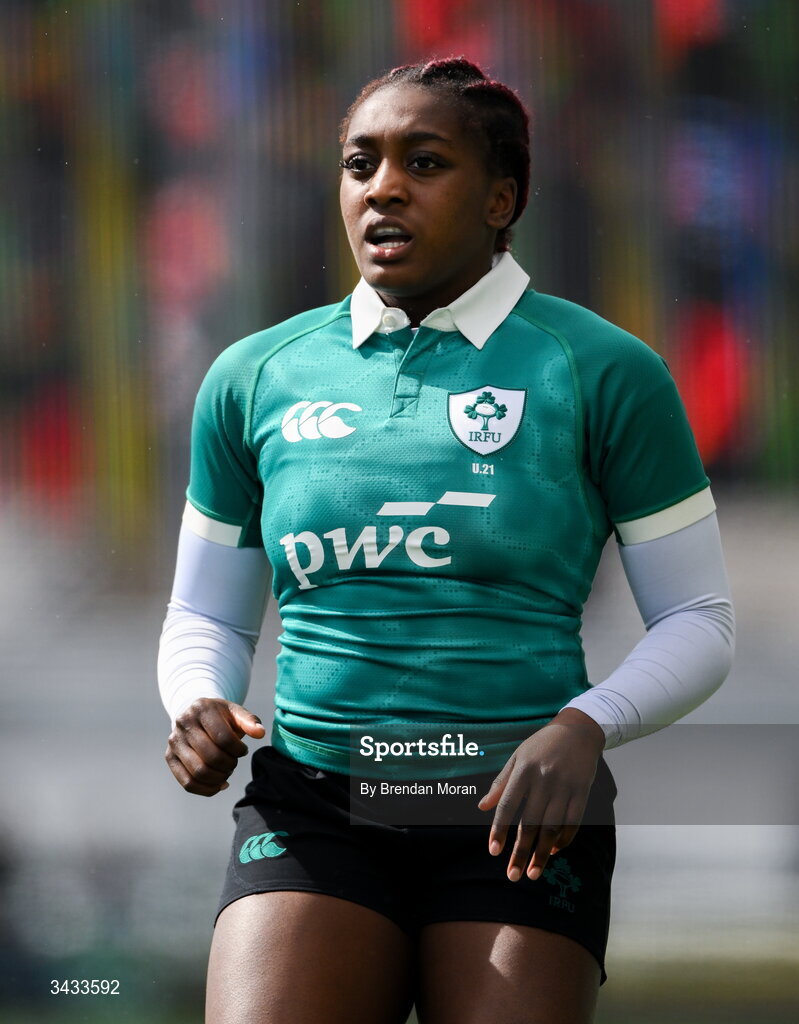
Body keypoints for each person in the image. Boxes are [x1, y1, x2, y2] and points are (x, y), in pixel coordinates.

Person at [158, 58, 734, 1024]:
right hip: (314, 802)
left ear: (500, 197)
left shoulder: (603, 371)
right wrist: (197, 701)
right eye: (359, 164)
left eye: (423, 163)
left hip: (516, 812)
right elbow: (202, 613)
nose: (382, 187)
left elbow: (701, 621)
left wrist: (584, 726)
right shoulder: (254, 377)